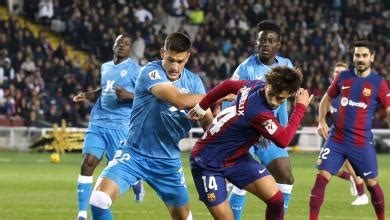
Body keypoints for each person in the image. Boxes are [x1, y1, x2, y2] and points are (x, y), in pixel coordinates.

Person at [89, 32, 213, 220]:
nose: (173, 66)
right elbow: (179, 100)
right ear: (163, 53)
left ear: (188, 57)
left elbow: (208, 120)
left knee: (184, 217)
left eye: (180, 61)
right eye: (170, 59)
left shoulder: (195, 83)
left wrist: (211, 133)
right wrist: (217, 95)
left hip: (168, 161)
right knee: (99, 199)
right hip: (134, 154)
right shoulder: (150, 71)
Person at [189, 66, 313, 220]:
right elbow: (284, 140)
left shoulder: (254, 85)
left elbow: (227, 85)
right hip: (207, 162)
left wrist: (202, 106)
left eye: (280, 98)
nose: (274, 101)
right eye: (272, 94)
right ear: (267, 84)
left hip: (237, 158)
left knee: (276, 201)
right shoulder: (258, 112)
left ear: (290, 94)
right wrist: (300, 107)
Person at [309, 40, 390, 220]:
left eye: (365, 55)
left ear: (372, 58)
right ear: (353, 56)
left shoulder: (379, 83)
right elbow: (326, 99)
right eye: (357, 55)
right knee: (321, 178)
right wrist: (321, 121)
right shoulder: (343, 77)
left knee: (372, 184)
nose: (360, 59)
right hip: (337, 139)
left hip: (361, 142)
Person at [225, 20, 295, 219]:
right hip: (244, 132)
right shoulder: (246, 68)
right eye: (262, 40)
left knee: (286, 176)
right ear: (256, 43)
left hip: (269, 133)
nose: (266, 44)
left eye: (270, 40)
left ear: (278, 45)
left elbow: (284, 102)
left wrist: (281, 130)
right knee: (241, 184)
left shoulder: (287, 65)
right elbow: (228, 99)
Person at [73, 33, 143, 220]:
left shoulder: (137, 71)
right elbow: (103, 90)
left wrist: (129, 96)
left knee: (120, 168)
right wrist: (86, 96)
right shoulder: (105, 67)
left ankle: (136, 182)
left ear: (131, 49)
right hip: (98, 122)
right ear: (113, 45)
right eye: (119, 42)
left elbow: (147, 97)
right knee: (88, 163)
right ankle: (81, 214)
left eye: (126, 43)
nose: (121, 45)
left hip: (120, 126)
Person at [328, 62, 368, 206]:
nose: (338, 74)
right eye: (336, 71)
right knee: (325, 166)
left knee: (329, 167)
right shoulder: (331, 95)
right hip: (336, 136)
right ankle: (353, 181)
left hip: (350, 136)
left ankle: (362, 193)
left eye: (341, 71)